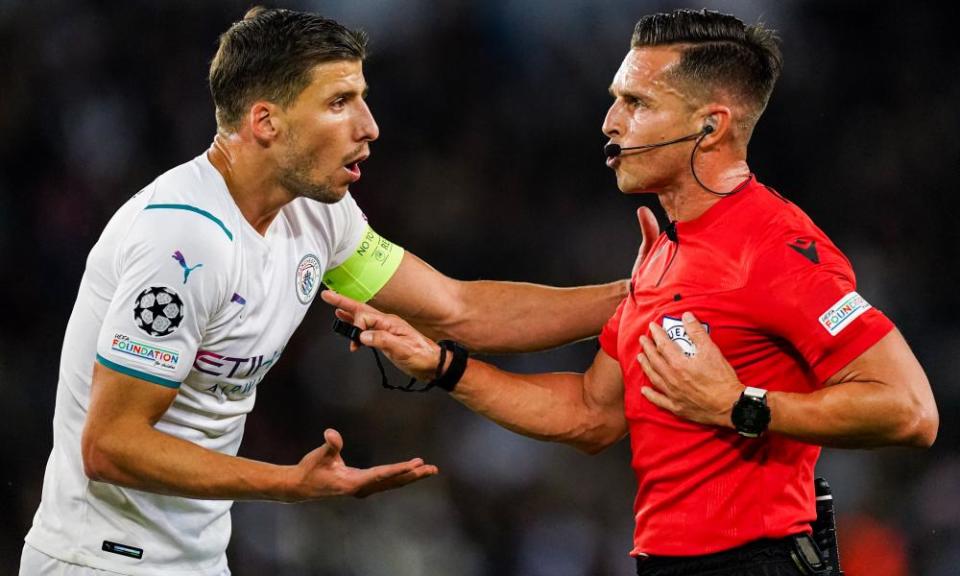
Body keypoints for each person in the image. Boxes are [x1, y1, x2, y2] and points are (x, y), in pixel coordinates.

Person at [19, 8, 636, 576]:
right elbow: (109, 445)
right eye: (340, 102)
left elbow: (459, 310)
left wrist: (640, 291)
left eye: (362, 99)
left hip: (195, 558)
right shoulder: (184, 240)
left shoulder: (319, 214)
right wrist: (289, 484)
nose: (370, 126)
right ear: (265, 121)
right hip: (98, 561)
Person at [325, 9, 940, 576]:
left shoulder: (775, 248)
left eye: (637, 103)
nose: (610, 122)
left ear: (709, 126)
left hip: (759, 562)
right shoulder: (666, 250)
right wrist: (441, 365)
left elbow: (911, 411)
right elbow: (591, 414)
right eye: (617, 98)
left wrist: (742, 405)